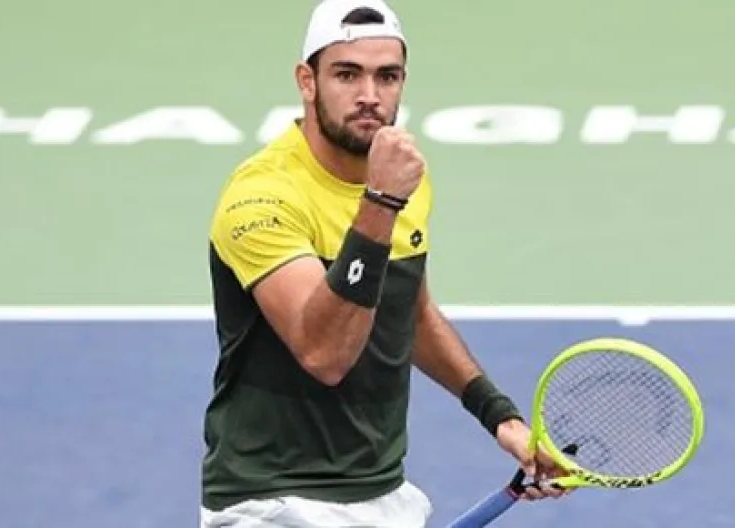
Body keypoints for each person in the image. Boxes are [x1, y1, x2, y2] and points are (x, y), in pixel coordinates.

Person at [200, 1, 571, 525]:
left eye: (387, 76)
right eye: (347, 75)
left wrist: (500, 417)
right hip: (273, 499)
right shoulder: (262, 197)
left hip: (382, 493)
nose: (369, 96)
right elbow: (325, 353)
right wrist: (380, 202)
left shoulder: (401, 176)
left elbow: (409, 313)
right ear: (307, 81)